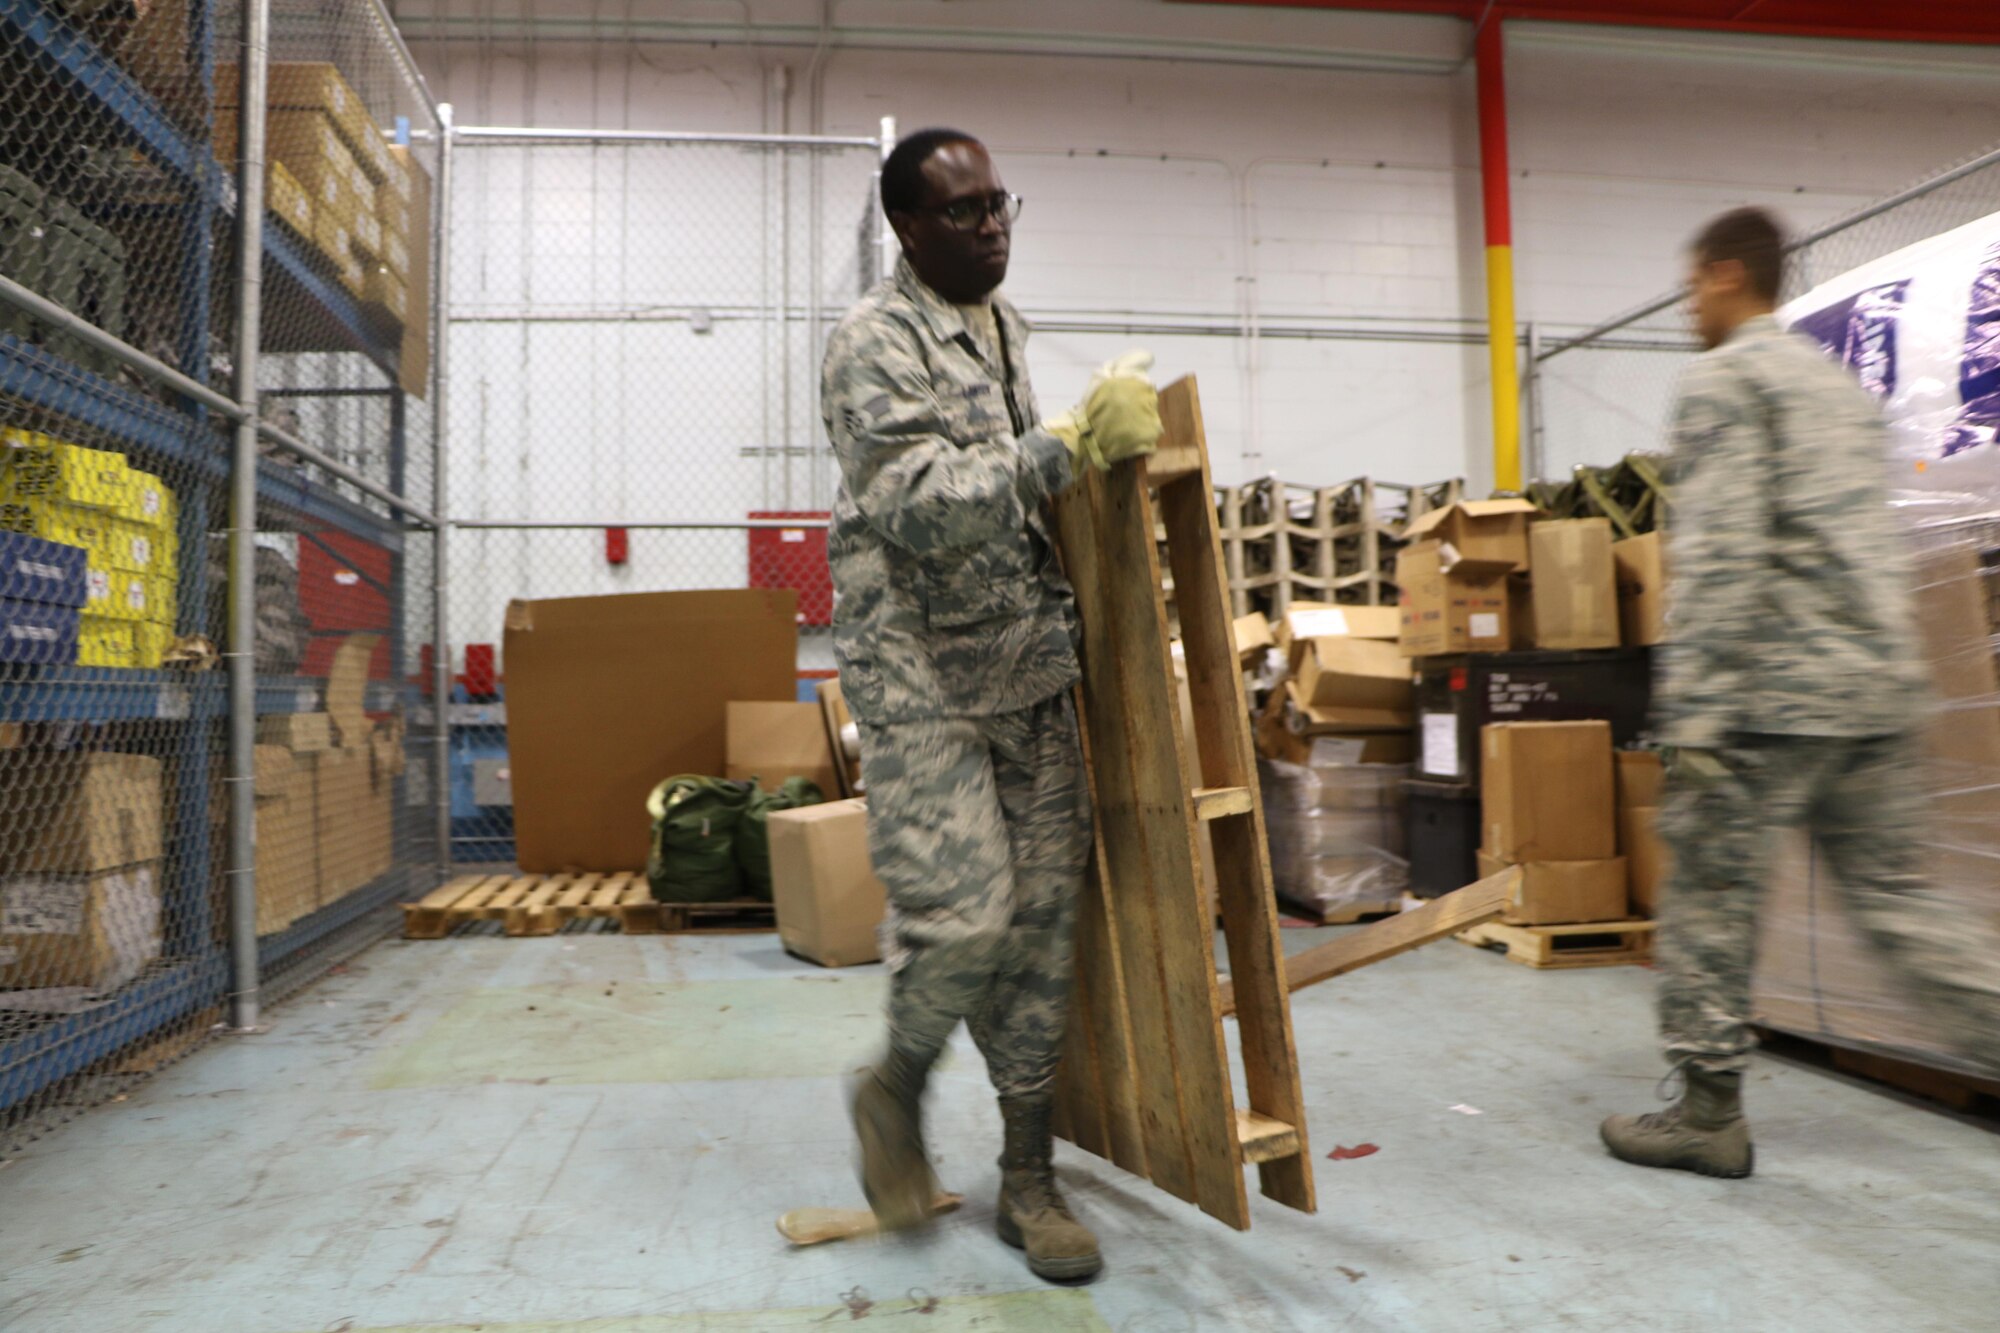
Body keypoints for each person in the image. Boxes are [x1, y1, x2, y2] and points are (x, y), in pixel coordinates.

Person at [820, 127, 1162, 1279]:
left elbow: (1020, 499)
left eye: (999, 204)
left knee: (1039, 930)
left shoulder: (1001, 330)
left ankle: (1027, 1178)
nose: (992, 225)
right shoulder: (871, 342)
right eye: (963, 213)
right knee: (962, 918)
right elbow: (915, 501)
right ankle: (895, 1085)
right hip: (918, 679)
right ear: (907, 230)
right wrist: (1063, 443)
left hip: (1026, 667)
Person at [1601, 206, 2000, 1178]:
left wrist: (1690, 710)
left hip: (1761, 696)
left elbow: (1724, 547)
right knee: (1901, 903)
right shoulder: (1834, 389)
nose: (1689, 302)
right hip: (1871, 688)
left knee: (1706, 892)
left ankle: (1705, 1112)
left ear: (1728, 275)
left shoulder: (1723, 378)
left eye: (1694, 282)